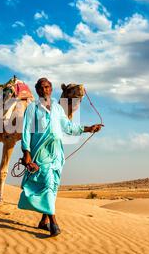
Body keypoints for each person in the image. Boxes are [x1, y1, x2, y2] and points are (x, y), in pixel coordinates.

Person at [18, 77, 102, 237]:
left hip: (56, 153)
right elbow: (26, 131)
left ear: (51, 89)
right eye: (41, 87)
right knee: (48, 182)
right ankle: (54, 223)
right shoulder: (32, 109)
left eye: (47, 87)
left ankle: (43, 221)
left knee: (53, 185)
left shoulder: (57, 108)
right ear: (37, 90)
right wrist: (26, 152)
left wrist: (88, 128)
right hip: (40, 152)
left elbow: (68, 127)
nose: (45, 90)